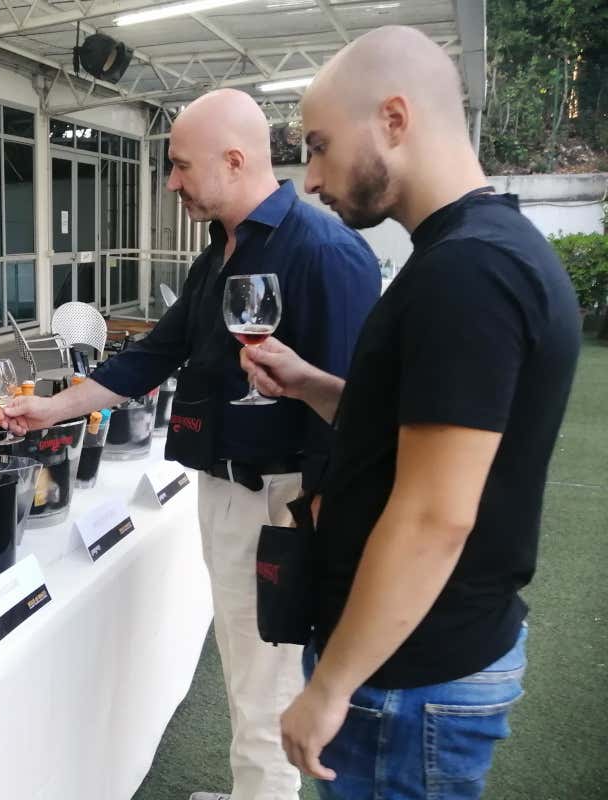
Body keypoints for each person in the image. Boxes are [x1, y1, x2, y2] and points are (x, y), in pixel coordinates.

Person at [3, 89, 381, 800]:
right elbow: (155, 354)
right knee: (246, 665)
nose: (170, 182)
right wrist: (53, 408)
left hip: (283, 502)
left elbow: (358, 409)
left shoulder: (326, 252)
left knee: (267, 678)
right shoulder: (221, 252)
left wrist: (318, 519)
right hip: (227, 487)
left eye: (179, 165)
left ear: (234, 162)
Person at [240, 26, 581, 798]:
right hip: (416, 665)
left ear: (394, 119)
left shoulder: (469, 271)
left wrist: (331, 685)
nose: (311, 179)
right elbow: (409, 433)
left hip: (409, 678)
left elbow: (435, 515)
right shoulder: (473, 252)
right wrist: (310, 384)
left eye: (319, 147)